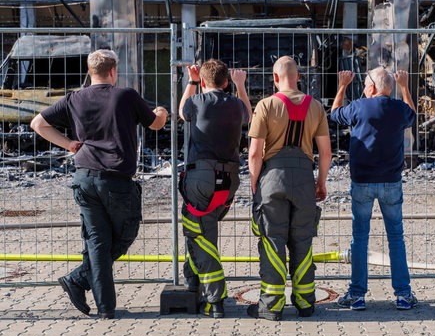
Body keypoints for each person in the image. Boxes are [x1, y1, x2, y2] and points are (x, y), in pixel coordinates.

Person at [30, 49, 168, 319]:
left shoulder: (74, 98)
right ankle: (79, 278)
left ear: (90, 71)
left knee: (97, 242)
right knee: (125, 235)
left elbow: (39, 123)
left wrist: (69, 144)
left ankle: (102, 305)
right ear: (113, 71)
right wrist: (161, 110)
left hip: (84, 176)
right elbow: (156, 124)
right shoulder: (125, 96)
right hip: (116, 180)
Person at [247, 55, 332, 321]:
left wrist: (255, 187)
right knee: (303, 242)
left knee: (273, 241)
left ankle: (271, 306)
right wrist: (320, 182)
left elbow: (255, 153)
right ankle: (306, 303)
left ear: (274, 78)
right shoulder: (316, 107)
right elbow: (326, 152)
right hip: (305, 180)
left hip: (272, 179)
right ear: (298, 77)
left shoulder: (266, 105)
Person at [330, 67, 417, 311]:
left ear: (371, 87)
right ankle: (403, 294)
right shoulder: (399, 109)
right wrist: (405, 86)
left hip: (362, 181)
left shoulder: (358, 107)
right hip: (391, 181)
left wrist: (343, 85)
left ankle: (357, 294)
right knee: (396, 238)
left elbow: (334, 114)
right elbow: (412, 114)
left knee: (360, 238)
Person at [178, 58, 252, 319]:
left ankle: (215, 299)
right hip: (229, 180)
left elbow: (181, 111)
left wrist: (192, 81)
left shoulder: (197, 102)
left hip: (201, 178)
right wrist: (240, 85)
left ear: (205, 82)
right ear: (226, 81)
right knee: (201, 229)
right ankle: (192, 281)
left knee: (200, 234)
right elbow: (248, 115)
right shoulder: (235, 104)